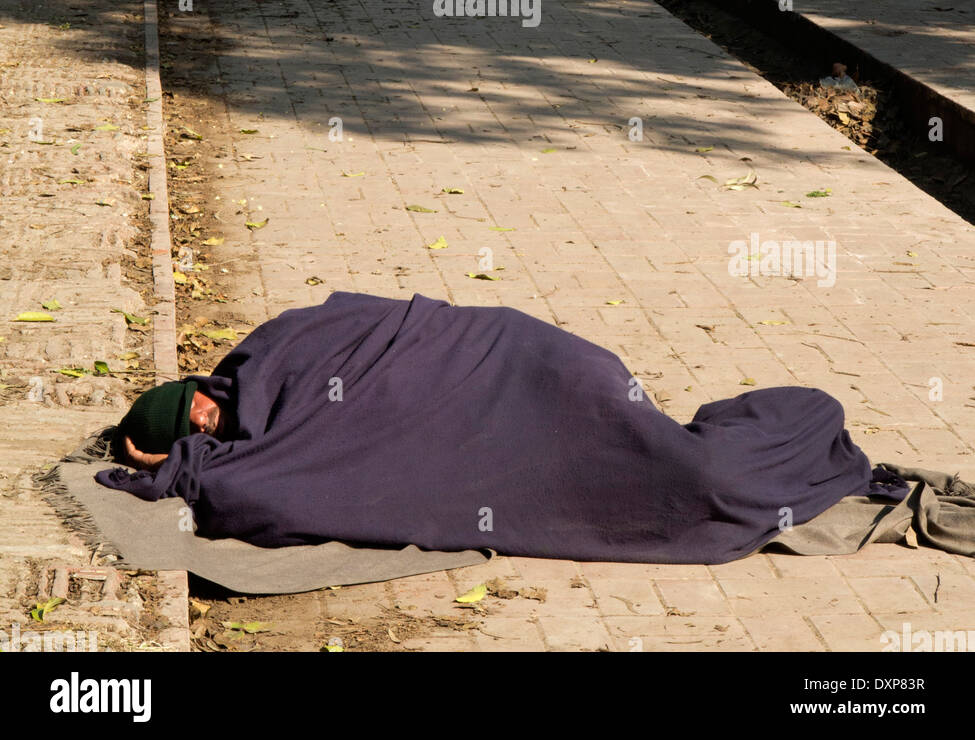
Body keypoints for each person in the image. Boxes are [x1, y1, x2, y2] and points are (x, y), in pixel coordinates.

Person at [98, 290, 904, 565]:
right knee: (690, 486)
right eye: (196, 428)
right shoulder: (266, 436)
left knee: (693, 471)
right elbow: (285, 488)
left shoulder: (281, 346)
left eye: (198, 404)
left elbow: (398, 331)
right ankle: (743, 460)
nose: (207, 416)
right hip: (506, 430)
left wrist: (183, 463)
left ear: (201, 386)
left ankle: (794, 429)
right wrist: (186, 466)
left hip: (531, 367)